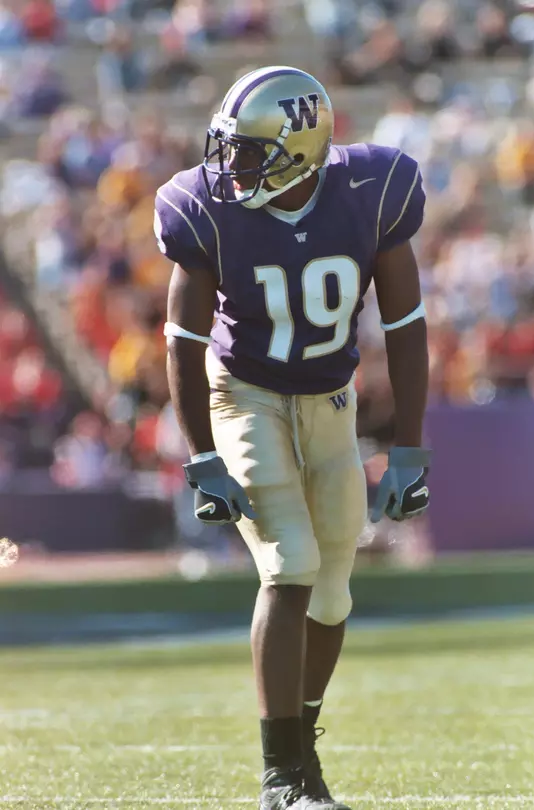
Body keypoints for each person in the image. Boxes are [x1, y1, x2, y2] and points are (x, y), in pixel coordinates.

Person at [154, 66, 431, 810]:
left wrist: (409, 444)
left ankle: (300, 758)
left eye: (250, 151)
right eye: (228, 147)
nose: (230, 166)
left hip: (330, 399)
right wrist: (201, 453)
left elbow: (404, 326)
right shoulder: (204, 208)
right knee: (292, 561)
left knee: (334, 592)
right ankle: (281, 778)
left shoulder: (374, 192)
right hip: (242, 393)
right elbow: (181, 338)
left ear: (301, 150)